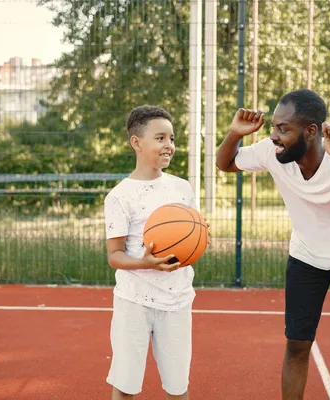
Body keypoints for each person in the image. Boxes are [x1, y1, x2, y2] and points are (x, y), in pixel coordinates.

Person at [216, 89, 330, 400]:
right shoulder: (273, 152)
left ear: (311, 132)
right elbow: (226, 164)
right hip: (306, 258)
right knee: (296, 347)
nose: (275, 135)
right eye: (274, 127)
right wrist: (234, 133)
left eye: (284, 128)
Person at [104, 105, 197, 400]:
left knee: (178, 387)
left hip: (177, 300)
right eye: (160, 138)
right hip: (134, 302)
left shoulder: (183, 189)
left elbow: (192, 239)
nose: (169, 145)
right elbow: (114, 255)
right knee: (126, 386)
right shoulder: (120, 196)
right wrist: (144, 263)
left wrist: (201, 236)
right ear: (136, 142)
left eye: (171, 138)